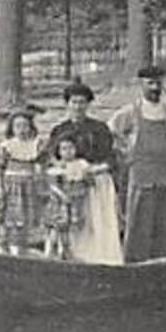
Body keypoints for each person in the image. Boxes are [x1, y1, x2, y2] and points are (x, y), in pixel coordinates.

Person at [109, 65, 166, 262]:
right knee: (139, 222)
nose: (155, 88)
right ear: (140, 85)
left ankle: (162, 262)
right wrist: (125, 152)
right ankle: (135, 262)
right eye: (150, 83)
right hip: (141, 174)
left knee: (164, 222)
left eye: (158, 83)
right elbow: (111, 131)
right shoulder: (131, 111)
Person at [46, 80, 122, 264]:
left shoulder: (99, 129)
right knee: (70, 221)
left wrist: (94, 169)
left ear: (88, 104)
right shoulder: (59, 130)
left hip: (96, 180)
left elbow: (111, 158)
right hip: (69, 184)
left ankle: (101, 258)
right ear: (67, 104)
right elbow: (51, 157)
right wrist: (64, 170)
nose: (77, 107)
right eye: (73, 102)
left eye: (82, 102)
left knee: (97, 221)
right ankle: (71, 257)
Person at [0, 107, 45, 253]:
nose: (22, 130)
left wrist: (40, 178)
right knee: (10, 220)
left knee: (29, 219)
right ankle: (6, 249)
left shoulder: (37, 144)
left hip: (29, 185)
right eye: (17, 126)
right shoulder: (6, 146)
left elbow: (42, 164)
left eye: (25, 126)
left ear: (30, 127)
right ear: (12, 128)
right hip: (11, 186)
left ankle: (25, 249)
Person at [43, 136, 93, 260]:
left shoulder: (81, 164)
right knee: (57, 228)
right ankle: (51, 252)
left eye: (71, 148)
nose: (68, 151)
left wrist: (86, 181)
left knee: (73, 228)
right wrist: (62, 195)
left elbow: (88, 182)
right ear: (59, 151)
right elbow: (52, 185)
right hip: (60, 202)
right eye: (64, 149)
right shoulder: (58, 167)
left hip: (77, 200)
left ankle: (69, 252)